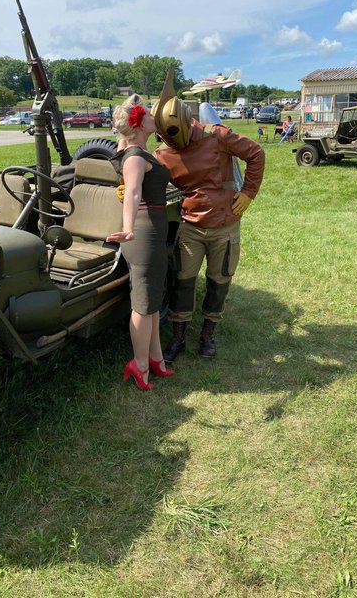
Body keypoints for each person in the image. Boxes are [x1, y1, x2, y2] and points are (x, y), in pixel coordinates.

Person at [152, 71, 265, 361]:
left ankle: (207, 334)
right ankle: (178, 337)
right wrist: (127, 185)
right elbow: (144, 172)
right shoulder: (162, 154)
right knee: (183, 281)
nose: (173, 144)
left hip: (224, 224)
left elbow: (255, 153)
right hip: (191, 225)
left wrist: (249, 192)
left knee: (219, 281)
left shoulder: (217, 135)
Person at [106, 94, 174, 391]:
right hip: (143, 232)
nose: (153, 116)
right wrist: (128, 228)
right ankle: (140, 364)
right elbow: (132, 192)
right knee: (144, 304)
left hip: (153, 229)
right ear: (137, 123)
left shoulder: (141, 152)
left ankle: (156, 359)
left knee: (153, 300)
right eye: (147, 113)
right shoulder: (134, 156)